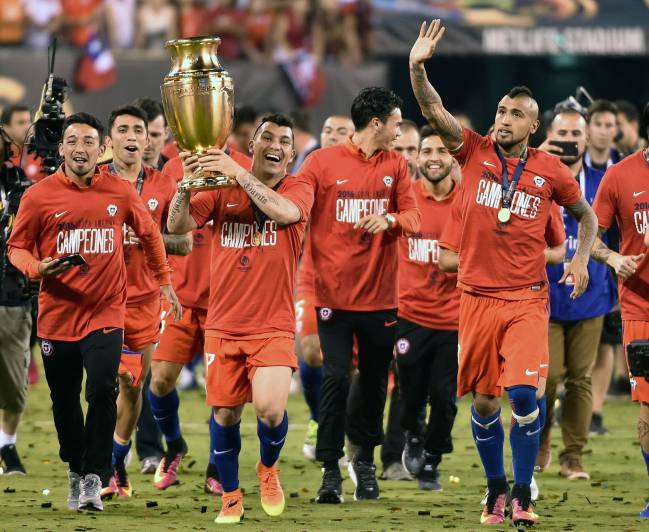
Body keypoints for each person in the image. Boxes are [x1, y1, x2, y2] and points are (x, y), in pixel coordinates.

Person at [409, 20, 597, 526]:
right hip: (474, 298)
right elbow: (432, 109)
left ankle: (521, 492)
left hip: (526, 299)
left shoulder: (549, 170)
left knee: (522, 394)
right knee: (488, 403)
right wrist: (417, 67)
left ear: (533, 126)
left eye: (516, 114)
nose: (505, 118)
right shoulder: (471, 150)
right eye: (501, 110)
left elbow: (587, 215)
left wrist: (580, 259)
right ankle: (494, 490)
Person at [6, 112, 177, 511]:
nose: (79, 149)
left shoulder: (119, 192)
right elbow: (16, 248)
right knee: (64, 401)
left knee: (102, 390)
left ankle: (95, 478)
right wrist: (37, 268)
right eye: (72, 141)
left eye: (88, 141)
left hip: (106, 312)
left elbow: (150, 234)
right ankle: (75, 469)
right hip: (57, 315)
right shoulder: (39, 195)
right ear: (62, 148)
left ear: (100, 149)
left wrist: (164, 281)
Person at [167, 113, 313, 524]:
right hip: (224, 325)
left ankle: (268, 468)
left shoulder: (299, 187)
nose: (276, 144)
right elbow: (177, 226)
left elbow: (283, 214)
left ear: (291, 153)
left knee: (269, 410)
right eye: (268, 136)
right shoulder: (221, 189)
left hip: (273, 325)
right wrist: (185, 185)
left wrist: (237, 172)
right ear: (253, 144)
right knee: (226, 415)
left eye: (285, 140)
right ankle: (230, 494)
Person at [298, 86, 420, 503]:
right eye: (396, 123)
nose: (399, 131)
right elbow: (296, 208)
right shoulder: (321, 163)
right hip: (333, 298)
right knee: (334, 379)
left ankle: (364, 463)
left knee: (372, 385)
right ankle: (330, 471)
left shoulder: (397, 166)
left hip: (382, 300)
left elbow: (415, 217)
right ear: (376, 124)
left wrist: (389, 218)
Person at [149, 142, 252, 495]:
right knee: (160, 381)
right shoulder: (174, 166)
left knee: (223, 393)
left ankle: (217, 466)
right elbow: (165, 229)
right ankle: (174, 445)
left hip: (227, 301)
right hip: (181, 295)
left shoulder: (243, 166)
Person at [98, 105, 185, 499]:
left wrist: (147, 235)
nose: (132, 137)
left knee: (132, 388)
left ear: (148, 140)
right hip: (98, 300)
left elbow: (184, 240)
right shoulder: (94, 182)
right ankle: (98, 466)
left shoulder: (163, 185)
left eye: (139, 130)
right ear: (110, 139)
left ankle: (117, 460)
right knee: (101, 386)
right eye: (123, 130)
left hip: (145, 301)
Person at [535, 110, 617, 480]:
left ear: (586, 140)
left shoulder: (603, 182)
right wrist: (539, 155)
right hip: (544, 294)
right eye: (562, 132)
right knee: (548, 378)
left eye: (575, 133)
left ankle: (573, 456)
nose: (570, 139)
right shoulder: (534, 177)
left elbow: (615, 233)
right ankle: (540, 442)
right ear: (550, 135)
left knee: (581, 378)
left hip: (591, 294)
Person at [591, 102, 649, 518]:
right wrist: (613, 259)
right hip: (640, 308)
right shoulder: (621, 175)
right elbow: (591, 235)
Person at [397, 126, 460, 491]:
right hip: (409, 315)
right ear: (417, 158)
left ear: (453, 157)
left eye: (441, 150)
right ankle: (413, 437)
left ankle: (433, 458)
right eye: (426, 151)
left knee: (444, 396)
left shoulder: (467, 202)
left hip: (453, 318)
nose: (433, 158)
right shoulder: (404, 199)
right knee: (409, 394)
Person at [296, 114, 355, 462]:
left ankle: (342, 424)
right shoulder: (311, 169)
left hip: (359, 282)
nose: (332, 135)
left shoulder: (367, 171)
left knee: (349, 363)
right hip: (315, 275)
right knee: (312, 351)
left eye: (341, 131)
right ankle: (320, 419)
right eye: (327, 130)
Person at [1, 104, 46, 183]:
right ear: (6, 128)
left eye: (29, 122)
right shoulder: (1, 159)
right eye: (21, 122)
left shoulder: (42, 157)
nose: (27, 127)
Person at [133, 97, 169, 171]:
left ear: (166, 133)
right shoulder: (106, 175)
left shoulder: (176, 173)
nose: (147, 143)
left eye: (155, 135)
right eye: (140, 133)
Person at [585, 100, 620, 172]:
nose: (603, 132)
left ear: (616, 130)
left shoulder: (624, 164)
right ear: (587, 128)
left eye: (608, 125)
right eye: (598, 124)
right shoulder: (574, 163)